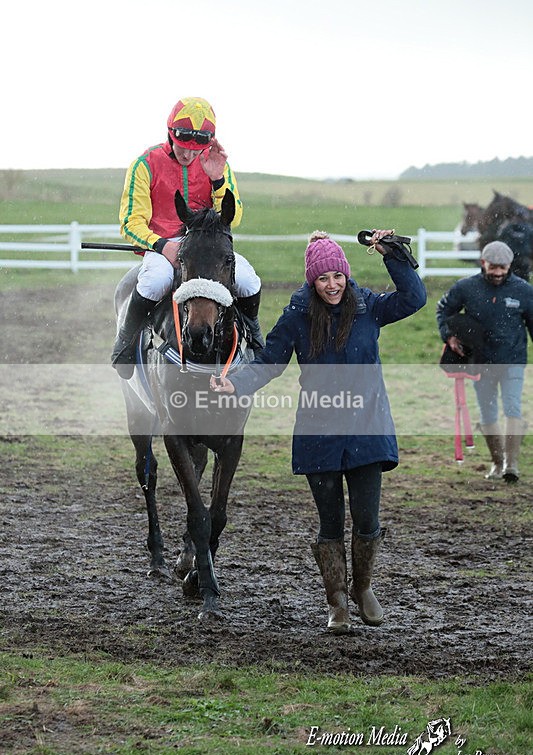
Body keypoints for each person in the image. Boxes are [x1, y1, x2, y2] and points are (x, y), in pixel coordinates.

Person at [210, 230, 427, 634]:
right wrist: (236, 382)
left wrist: (392, 255)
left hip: (367, 429)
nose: (332, 285)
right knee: (330, 523)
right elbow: (271, 360)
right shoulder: (297, 316)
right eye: (323, 279)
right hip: (319, 431)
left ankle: (363, 590)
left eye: (337, 277)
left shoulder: (369, 308)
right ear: (312, 281)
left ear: (346, 276)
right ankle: (338, 603)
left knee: (366, 521)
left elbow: (414, 298)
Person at [111, 96, 263, 379]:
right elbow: (130, 222)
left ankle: (254, 334)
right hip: (162, 248)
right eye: (183, 147)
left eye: (197, 149)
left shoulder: (218, 164)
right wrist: (161, 245)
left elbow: (233, 217)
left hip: (207, 251)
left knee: (248, 281)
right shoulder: (144, 164)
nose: (189, 155)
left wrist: (217, 180)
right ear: (171, 134)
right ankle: (125, 341)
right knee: (154, 281)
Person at [436, 240, 533, 481]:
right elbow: (443, 310)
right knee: (488, 413)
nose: (498, 273)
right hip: (480, 360)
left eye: (503, 268)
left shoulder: (524, 290)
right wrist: (448, 336)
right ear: (483, 263)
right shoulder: (466, 288)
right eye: (493, 267)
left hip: (513, 359)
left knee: (512, 406)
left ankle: (512, 465)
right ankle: (497, 464)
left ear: (510, 265)